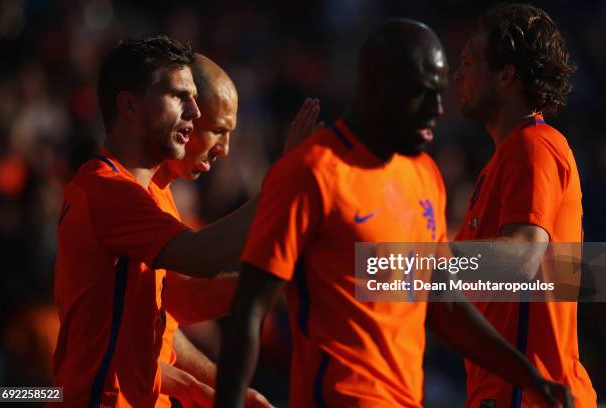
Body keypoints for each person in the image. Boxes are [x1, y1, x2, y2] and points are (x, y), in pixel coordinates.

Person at [214, 19, 571, 408]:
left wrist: (530, 377)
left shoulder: (440, 171)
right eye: (423, 92)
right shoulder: (312, 170)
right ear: (377, 85)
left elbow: (515, 267)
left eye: (464, 68)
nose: (439, 106)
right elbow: (249, 304)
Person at [52, 36, 317, 407]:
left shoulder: (150, 192)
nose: (193, 115)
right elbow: (199, 259)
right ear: (129, 104)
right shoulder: (108, 190)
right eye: (182, 98)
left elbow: (168, 311)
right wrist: (284, 185)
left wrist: (219, 388)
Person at [153, 54, 321, 407]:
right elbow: (197, 264)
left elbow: (170, 309)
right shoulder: (119, 190)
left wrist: (227, 389)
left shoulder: (159, 196)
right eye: (217, 130)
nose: (225, 150)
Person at [453, 3, 597, 407]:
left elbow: (521, 256)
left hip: (531, 398)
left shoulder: (534, 146)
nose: (457, 75)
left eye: (467, 61)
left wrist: (422, 263)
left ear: (505, 74)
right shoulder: (501, 164)